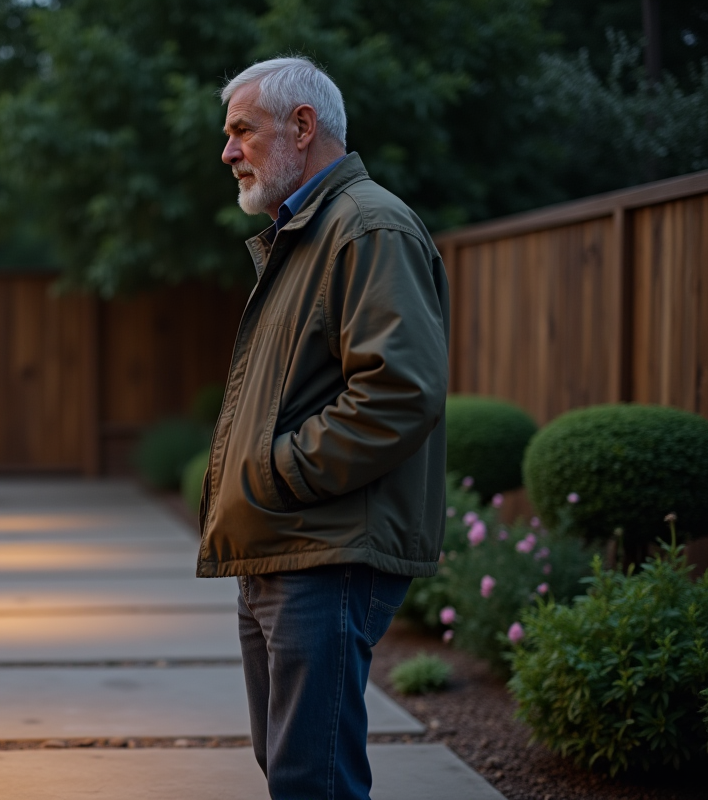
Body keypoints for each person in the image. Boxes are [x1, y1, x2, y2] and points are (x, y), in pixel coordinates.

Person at [197, 57, 450, 800]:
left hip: (324, 552)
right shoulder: (303, 234)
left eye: (242, 130)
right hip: (283, 550)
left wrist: (279, 474)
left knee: (314, 783)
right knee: (290, 774)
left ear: (302, 127)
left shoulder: (367, 226)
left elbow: (398, 391)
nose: (227, 151)